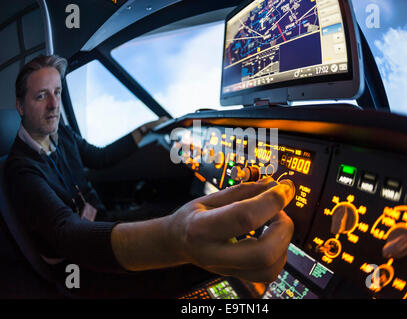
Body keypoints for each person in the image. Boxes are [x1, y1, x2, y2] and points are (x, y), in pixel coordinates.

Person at [5, 55, 295, 298]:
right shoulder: (21, 168)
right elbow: (66, 233)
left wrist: (148, 127)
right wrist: (175, 240)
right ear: (20, 106)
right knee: (184, 269)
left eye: (57, 92)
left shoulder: (61, 134)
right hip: (77, 262)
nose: (54, 106)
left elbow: (100, 157)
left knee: (168, 210)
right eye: (41, 96)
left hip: (99, 220)